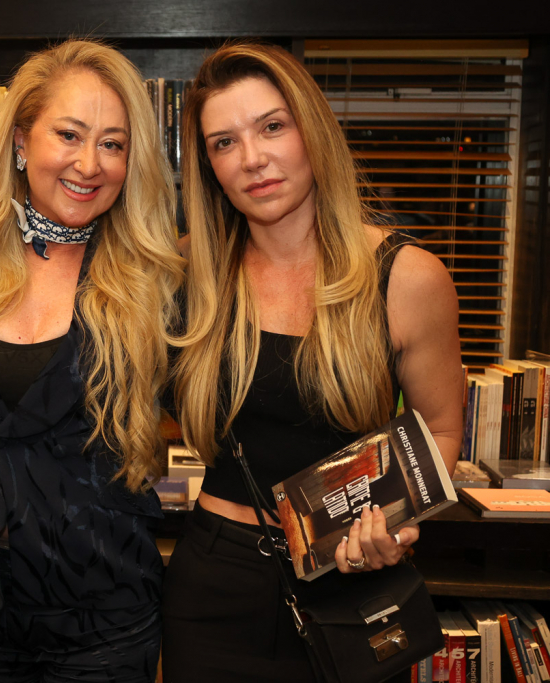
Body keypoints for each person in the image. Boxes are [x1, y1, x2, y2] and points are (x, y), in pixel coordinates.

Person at [163, 43, 462, 683]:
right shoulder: (185, 273)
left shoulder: (406, 277)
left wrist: (391, 525)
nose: (253, 159)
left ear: (312, 130)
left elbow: (438, 434)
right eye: (223, 142)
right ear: (208, 165)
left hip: (349, 586)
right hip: (212, 586)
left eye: (273, 126)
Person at [0, 40, 185, 683]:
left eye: (113, 144)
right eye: (69, 134)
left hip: (107, 618)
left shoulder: (159, 278)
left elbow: (225, 413)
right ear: (20, 142)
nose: (90, 164)